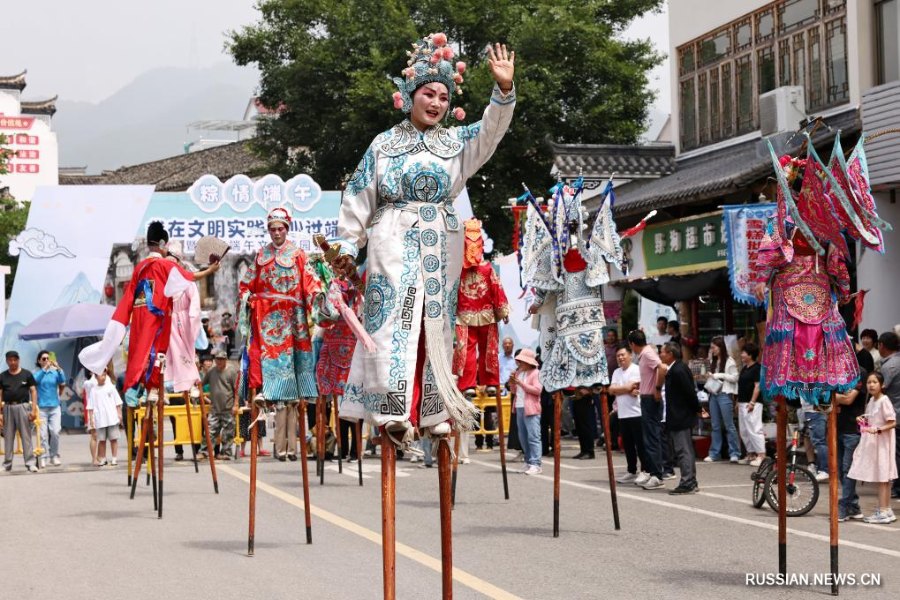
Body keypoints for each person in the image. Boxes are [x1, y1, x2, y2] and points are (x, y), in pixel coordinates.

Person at [336, 36, 515, 447]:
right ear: (408, 95)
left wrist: (503, 91)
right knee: (390, 318)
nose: (435, 102)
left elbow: (490, 131)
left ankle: (435, 409)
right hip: (392, 234)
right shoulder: (384, 144)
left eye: (442, 96)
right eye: (427, 93)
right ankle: (391, 409)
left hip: (441, 238)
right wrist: (348, 245)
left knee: (435, 319)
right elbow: (358, 194)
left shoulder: (455, 144)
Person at [79, 221, 219, 397]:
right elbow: (190, 276)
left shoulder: (139, 267)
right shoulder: (165, 265)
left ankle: (148, 388)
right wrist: (210, 270)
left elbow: (129, 294)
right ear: (161, 244)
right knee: (160, 350)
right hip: (159, 316)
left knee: (143, 351)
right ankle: (154, 387)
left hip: (140, 316)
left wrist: (126, 316)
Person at [238, 206, 334, 461]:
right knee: (260, 353)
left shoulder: (298, 254)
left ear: (287, 229)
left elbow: (310, 282)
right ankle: (264, 393)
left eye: (280, 228)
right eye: (272, 229)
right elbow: (246, 284)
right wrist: (247, 297)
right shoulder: (261, 255)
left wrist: (317, 298)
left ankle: (291, 432)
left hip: (291, 317)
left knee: (292, 363)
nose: (276, 233)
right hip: (266, 313)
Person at [454, 218, 510, 452]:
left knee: (489, 350)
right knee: (465, 351)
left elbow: (496, 289)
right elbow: (451, 294)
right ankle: (468, 383)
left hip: (485, 314)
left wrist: (502, 309)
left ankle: (490, 382)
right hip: (466, 315)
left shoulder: (487, 269)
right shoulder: (457, 270)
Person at [848, 372, 897, 524]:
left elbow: (892, 422)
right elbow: (870, 421)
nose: (871, 385)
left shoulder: (884, 400)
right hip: (876, 443)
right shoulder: (871, 401)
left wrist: (878, 429)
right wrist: (862, 420)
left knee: (883, 477)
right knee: (883, 477)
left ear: (882, 385)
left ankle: (883, 511)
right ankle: (886, 509)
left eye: (874, 382)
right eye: (869, 382)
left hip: (883, 443)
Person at [660, 342, 700, 494]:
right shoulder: (674, 369)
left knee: (684, 450)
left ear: (670, 354)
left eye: (662, 352)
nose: (660, 354)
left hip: (681, 416)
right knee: (683, 450)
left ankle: (688, 482)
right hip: (678, 416)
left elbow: (690, 393)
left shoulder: (678, 370)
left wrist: (697, 409)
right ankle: (690, 480)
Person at [628, 330, 665, 490]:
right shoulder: (645, 354)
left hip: (651, 399)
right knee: (648, 438)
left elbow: (662, 368)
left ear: (632, 344)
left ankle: (657, 475)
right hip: (646, 397)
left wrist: (657, 388)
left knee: (651, 438)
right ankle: (651, 471)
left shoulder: (648, 354)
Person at [610, 345, 646, 483]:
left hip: (637, 412)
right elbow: (611, 390)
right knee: (628, 445)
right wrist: (625, 389)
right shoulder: (616, 372)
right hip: (623, 413)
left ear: (630, 355)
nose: (620, 358)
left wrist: (621, 389)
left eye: (623, 355)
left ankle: (645, 470)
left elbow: (633, 387)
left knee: (641, 444)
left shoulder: (636, 370)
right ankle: (631, 470)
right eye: (618, 355)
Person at [835, 367, 867, 521]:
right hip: (837, 427)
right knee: (842, 470)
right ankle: (853, 505)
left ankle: (844, 506)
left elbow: (848, 399)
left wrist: (829, 395)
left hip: (852, 429)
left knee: (848, 470)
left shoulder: (859, 372)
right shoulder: (834, 371)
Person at [704, 336, 740, 463]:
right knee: (715, 425)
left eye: (714, 347)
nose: (712, 350)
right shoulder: (712, 361)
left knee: (729, 425)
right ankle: (714, 453)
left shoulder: (729, 361)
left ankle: (734, 452)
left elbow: (735, 377)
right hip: (714, 394)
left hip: (725, 393)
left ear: (720, 347)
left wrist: (719, 375)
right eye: (711, 347)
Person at [1, 350, 38, 472]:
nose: (12, 362)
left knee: (26, 436)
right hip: (7, 408)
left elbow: (33, 391)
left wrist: (33, 410)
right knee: (8, 436)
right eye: (10, 360)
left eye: (14, 359)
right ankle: (7, 464)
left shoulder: (26, 374)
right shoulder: (2, 376)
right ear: (7, 361)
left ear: (18, 360)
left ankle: (30, 463)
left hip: (23, 407)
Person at [509, 348, 542, 475]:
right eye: (519, 361)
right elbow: (513, 391)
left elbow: (537, 390)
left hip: (531, 408)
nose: (519, 363)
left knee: (533, 437)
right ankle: (528, 462)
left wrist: (520, 383)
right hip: (519, 406)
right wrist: (512, 382)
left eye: (522, 361)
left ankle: (536, 463)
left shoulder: (536, 373)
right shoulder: (518, 373)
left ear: (529, 362)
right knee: (523, 437)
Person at [200, 351, 238, 460]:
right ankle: (204, 452)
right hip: (215, 408)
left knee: (228, 432)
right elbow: (202, 383)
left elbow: (236, 390)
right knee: (210, 430)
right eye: (217, 359)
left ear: (225, 360)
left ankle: (226, 452)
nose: (219, 361)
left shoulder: (231, 371)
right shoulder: (211, 371)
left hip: (228, 407)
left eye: (221, 359)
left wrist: (235, 404)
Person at [876, 331, 900, 499]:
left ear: (881, 345)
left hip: (894, 416)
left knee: (895, 453)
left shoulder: (889, 366)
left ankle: (896, 487)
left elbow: (879, 389)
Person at [34, 350, 65, 467]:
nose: (46, 361)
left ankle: (54, 456)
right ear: (39, 361)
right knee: (42, 435)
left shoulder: (55, 372)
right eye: (44, 359)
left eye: (48, 358)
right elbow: (35, 380)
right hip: (41, 408)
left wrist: (58, 367)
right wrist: (45, 369)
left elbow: (62, 380)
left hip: (55, 407)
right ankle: (43, 456)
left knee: (55, 432)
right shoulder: (37, 373)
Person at [736, 342, 765, 467]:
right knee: (744, 430)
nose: (742, 355)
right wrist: (738, 401)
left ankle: (761, 454)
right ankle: (750, 453)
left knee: (754, 428)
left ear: (750, 355)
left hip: (753, 403)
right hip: (743, 402)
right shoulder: (745, 368)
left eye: (744, 353)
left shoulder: (757, 368)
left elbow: (757, 386)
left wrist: (752, 402)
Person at [89, 369, 122, 467]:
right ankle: (103, 458)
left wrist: (119, 415)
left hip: (112, 418)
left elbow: (117, 402)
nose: (103, 377)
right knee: (102, 440)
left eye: (104, 375)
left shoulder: (111, 387)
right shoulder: (93, 390)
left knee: (113, 439)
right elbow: (90, 407)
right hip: (100, 419)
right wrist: (91, 419)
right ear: (95, 377)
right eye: (101, 375)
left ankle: (114, 458)